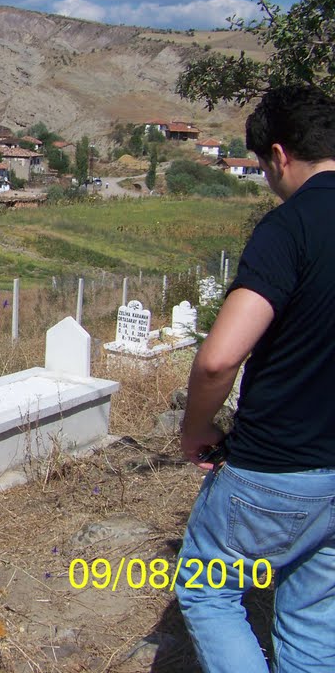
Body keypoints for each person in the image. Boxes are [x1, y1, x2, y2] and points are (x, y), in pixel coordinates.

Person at [175, 84, 335, 673]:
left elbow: (219, 358)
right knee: (316, 616)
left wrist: (197, 428)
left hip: (276, 468)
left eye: (267, 169)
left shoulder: (289, 228)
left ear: (279, 155)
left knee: (208, 590)